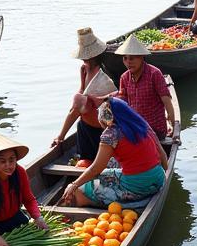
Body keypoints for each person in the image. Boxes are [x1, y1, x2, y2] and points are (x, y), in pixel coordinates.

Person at [60, 98, 168, 208]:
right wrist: (163, 173)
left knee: (82, 190)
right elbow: (162, 154)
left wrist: (74, 185)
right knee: (109, 166)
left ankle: (96, 202)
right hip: (158, 178)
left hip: (137, 187)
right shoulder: (141, 124)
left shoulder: (110, 134)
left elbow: (96, 168)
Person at [51, 27, 113, 162]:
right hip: (85, 127)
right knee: (86, 161)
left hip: (104, 129)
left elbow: (76, 110)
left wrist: (61, 136)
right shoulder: (84, 69)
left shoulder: (104, 74)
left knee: (99, 163)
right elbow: (81, 93)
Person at [111, 34, 179, 142]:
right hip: (135, 127)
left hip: (155, 129)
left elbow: (167, 101)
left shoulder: (154, 74)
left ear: (142, 57)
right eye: (125, 58)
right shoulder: (124, 77)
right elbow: (123, 104)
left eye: (132, 58)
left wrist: (174, 128)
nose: (128, 62)